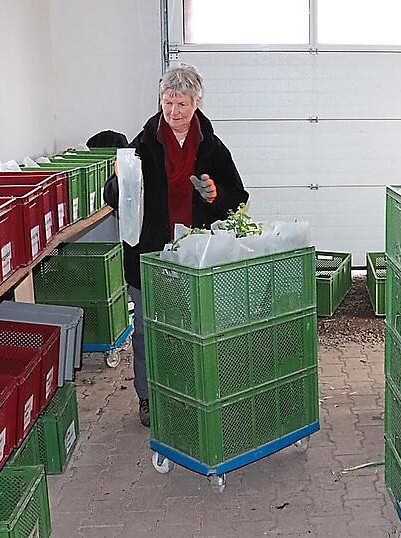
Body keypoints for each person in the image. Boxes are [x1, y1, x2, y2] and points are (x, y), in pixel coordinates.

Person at [104, 64, 249, 426]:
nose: (174, 112)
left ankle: (191, 392)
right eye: (168, 102)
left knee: (194, 328)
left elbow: (237, 195)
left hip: (194, 254)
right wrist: (120, 179)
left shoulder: (211, 147)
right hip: (149, 254)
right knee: (146, 330)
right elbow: (112, 198)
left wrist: (215, 195)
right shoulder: (143, 144)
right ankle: (148, 397)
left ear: (197, 103)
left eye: (182, 104)